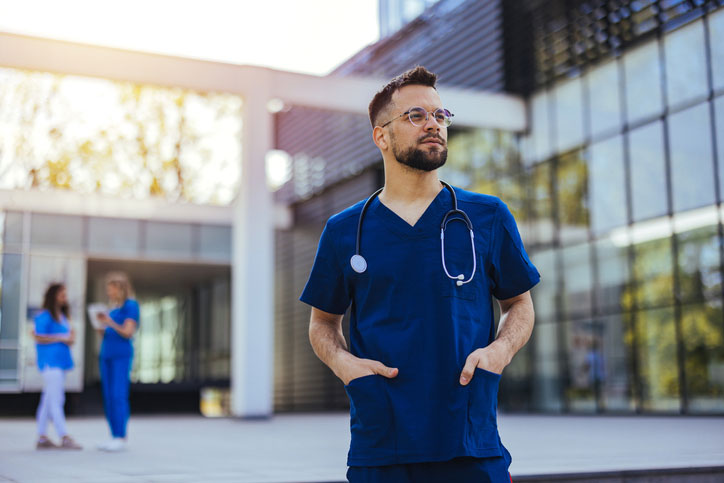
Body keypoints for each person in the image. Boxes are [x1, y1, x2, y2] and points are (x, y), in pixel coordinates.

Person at [300, 66, 539, 482]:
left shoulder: (487, 216)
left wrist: (499, 352)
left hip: (470, 442)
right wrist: (345, 365)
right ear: (381, 136)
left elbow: (519, 304)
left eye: (439, 115)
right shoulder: (344, 231)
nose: (433, 124)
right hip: (382, 444)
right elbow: (322, 322)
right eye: (415, 115)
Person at [33, 283, 83, 450]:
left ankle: (42, 437)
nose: (65, 297)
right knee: (56, 399)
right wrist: (61, 337)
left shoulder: (62, 316)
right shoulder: (44, 315)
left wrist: (68, 338)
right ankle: (64, 436)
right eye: (62, 293)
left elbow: (67, 338)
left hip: (61, 363)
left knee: (47, 400)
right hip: (50, 363)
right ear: (53, 295)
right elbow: (38, 336)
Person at [95, 271, 139, 452]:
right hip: (106, 355)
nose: (109, 293)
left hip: (121, 356)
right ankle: (113, 435)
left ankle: (121, 436)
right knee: (107, 396)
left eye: (111, 290)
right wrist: (100, 325)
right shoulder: (111, 308)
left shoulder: (131, 306)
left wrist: (110, 322)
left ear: (120, 288)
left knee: (118, 395)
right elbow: (106, 332)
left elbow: (128, 332)